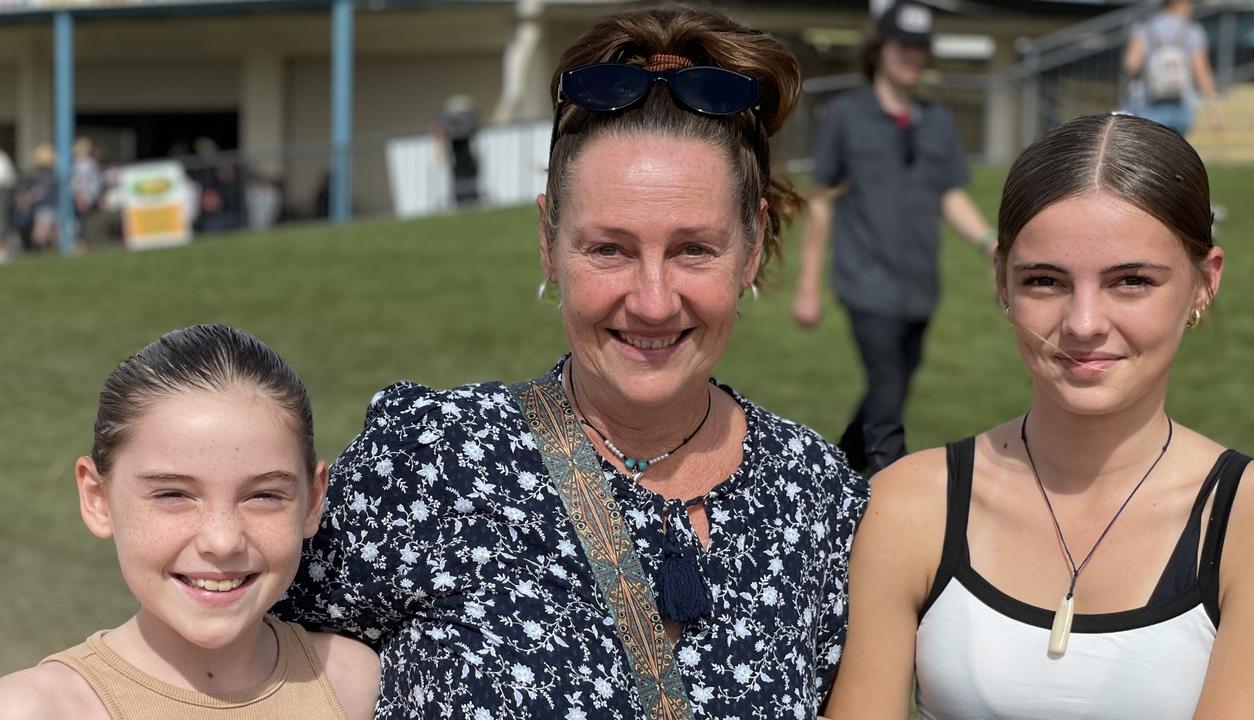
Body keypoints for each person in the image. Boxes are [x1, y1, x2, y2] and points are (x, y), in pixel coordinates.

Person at [274, 6, 868, 718]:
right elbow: (236, 658)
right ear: (548, 241)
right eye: (608, 249)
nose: (652, 302)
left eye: (693, 250)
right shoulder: (431, 461)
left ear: (751, 246)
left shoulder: (819, 503)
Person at [824, 114, 1254, 719]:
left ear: (1204, 282)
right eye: (1045, 280)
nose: (1084, 322)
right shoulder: (909, 504)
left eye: (1132, 281)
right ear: (1001, 281)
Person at [0, 324, 381, 720]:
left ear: (313, 500)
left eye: (264, 495)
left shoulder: (355, 683)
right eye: (172, 495)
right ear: (97, 498)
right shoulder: (31, 709)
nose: (222, 540)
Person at [792, 0, 995, 476]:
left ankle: (836, 475)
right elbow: (820, 200)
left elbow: (950, 196)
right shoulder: (846, 116)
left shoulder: (938, 121)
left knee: (890, 390)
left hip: (919, 289)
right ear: (880, 49)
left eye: (920, 48)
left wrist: (993, 244)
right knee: (887, 396)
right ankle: (890, 494)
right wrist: (807, 287)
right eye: (903, 45)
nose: (912, 56)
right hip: (866, 283)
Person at [1123, 0, 1226, 136]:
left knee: (1151, 152)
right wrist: (1215, 112)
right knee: (1176, 153)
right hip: (1182, 104)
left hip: (1149, 102)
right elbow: (1202, 73)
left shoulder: (1144, 28)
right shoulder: (1192, 31)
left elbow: (1131, 64)